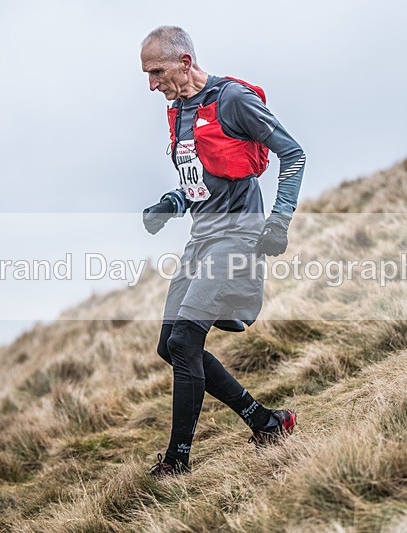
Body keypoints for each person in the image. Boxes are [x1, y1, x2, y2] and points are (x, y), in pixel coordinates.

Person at [139, 26, 306, 478]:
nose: (152, 84)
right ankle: (265, 422)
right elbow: (202, 181)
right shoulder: (180, 112)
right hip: (202, 238)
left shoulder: (233, 99)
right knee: (168, 346)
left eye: (157, 71)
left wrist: (279, 221)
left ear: (185, 63)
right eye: (147, 75)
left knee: (185, 340)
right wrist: (170, 204)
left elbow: (293, 154)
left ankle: (177, 461)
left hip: (237, 236)